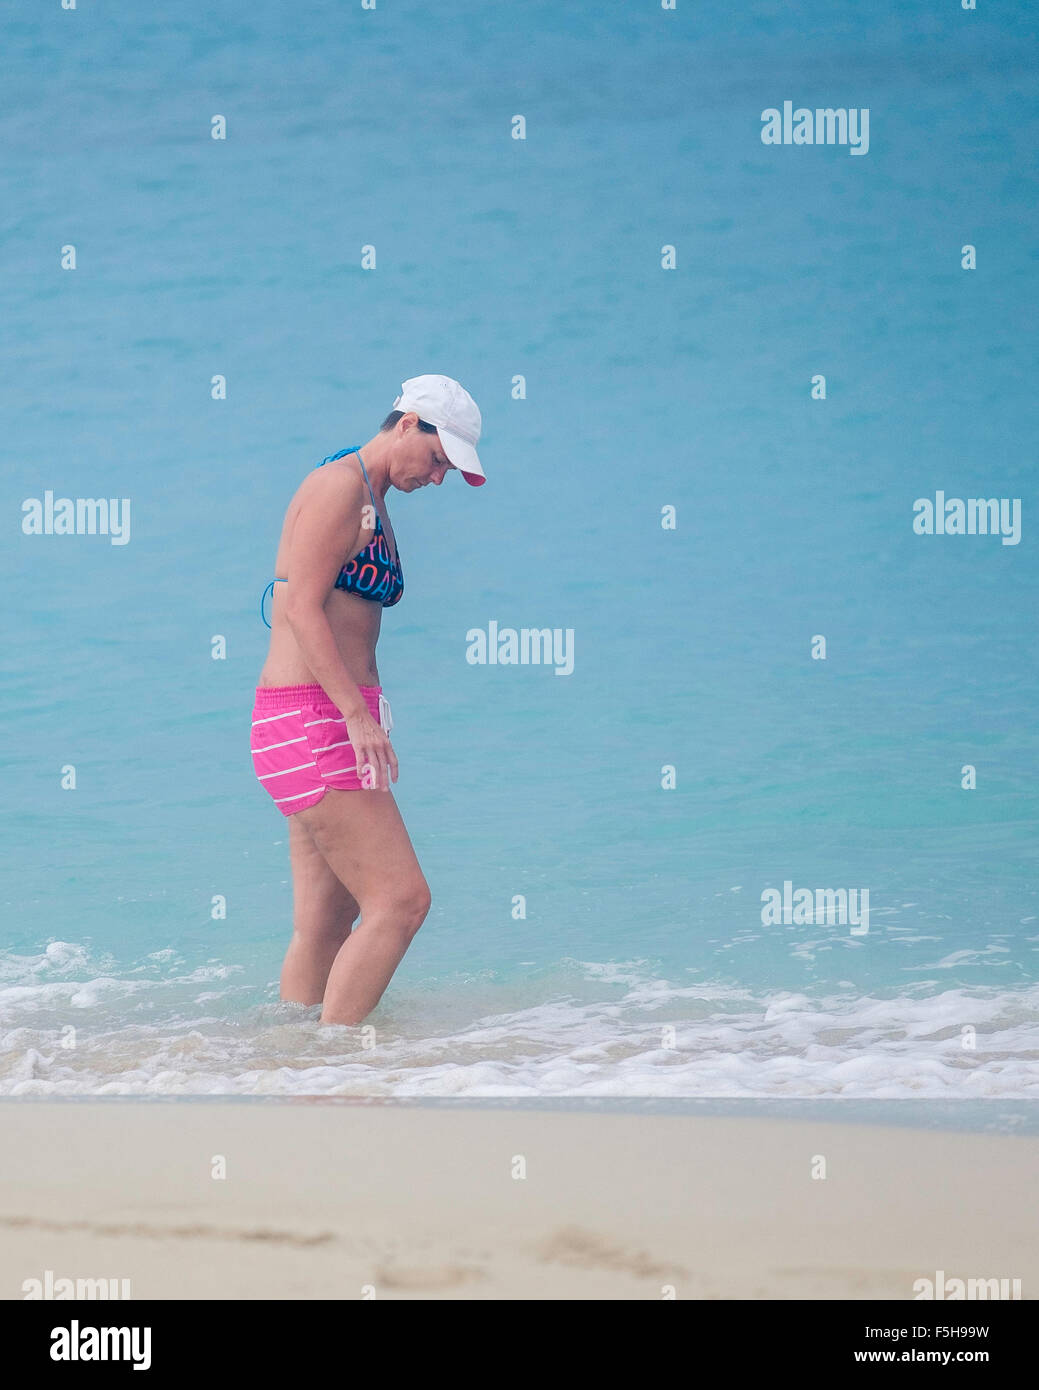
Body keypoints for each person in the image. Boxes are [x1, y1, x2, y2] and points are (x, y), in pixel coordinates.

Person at [250, 375, 485, 1026]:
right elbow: (299, 607)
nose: (438, 479)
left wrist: (366, 713)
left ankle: (291, 1056)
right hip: (313, 721)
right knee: (402, 901)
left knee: (327, 922)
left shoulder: (369, 496)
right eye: (439, 460)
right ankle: (335, 1068)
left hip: (313, 721)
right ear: (408, 424)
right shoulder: (338, 488)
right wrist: (355, 715)